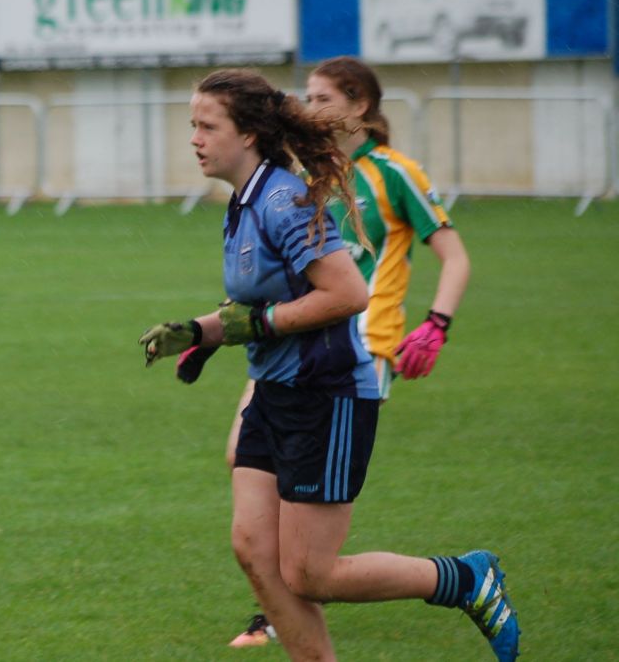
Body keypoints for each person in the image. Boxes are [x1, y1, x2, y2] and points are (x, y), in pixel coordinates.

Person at [138, 69, 518, 662]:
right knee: (253, 548)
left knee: (312, 574)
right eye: (193, 126)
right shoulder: (243, 202)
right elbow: (256, 302)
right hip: (275, 388)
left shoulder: (284, 200)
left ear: (249, 135)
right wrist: (200, 332)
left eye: (207, 126)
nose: (195, 138)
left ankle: (464, 579)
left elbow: (347, 294)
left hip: (326, 394)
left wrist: (256, 326)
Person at [224, 57, 473, 648]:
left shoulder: (393, 173)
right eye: (305, 97)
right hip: (291, 343)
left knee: (302, 487)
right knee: (246, 458)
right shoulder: (308, 174)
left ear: (361, 105)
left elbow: (455, 255)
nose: (312, 108)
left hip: (359, 345)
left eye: (324, 96)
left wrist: (436, 325)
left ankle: (290, 597)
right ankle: (284, 596)